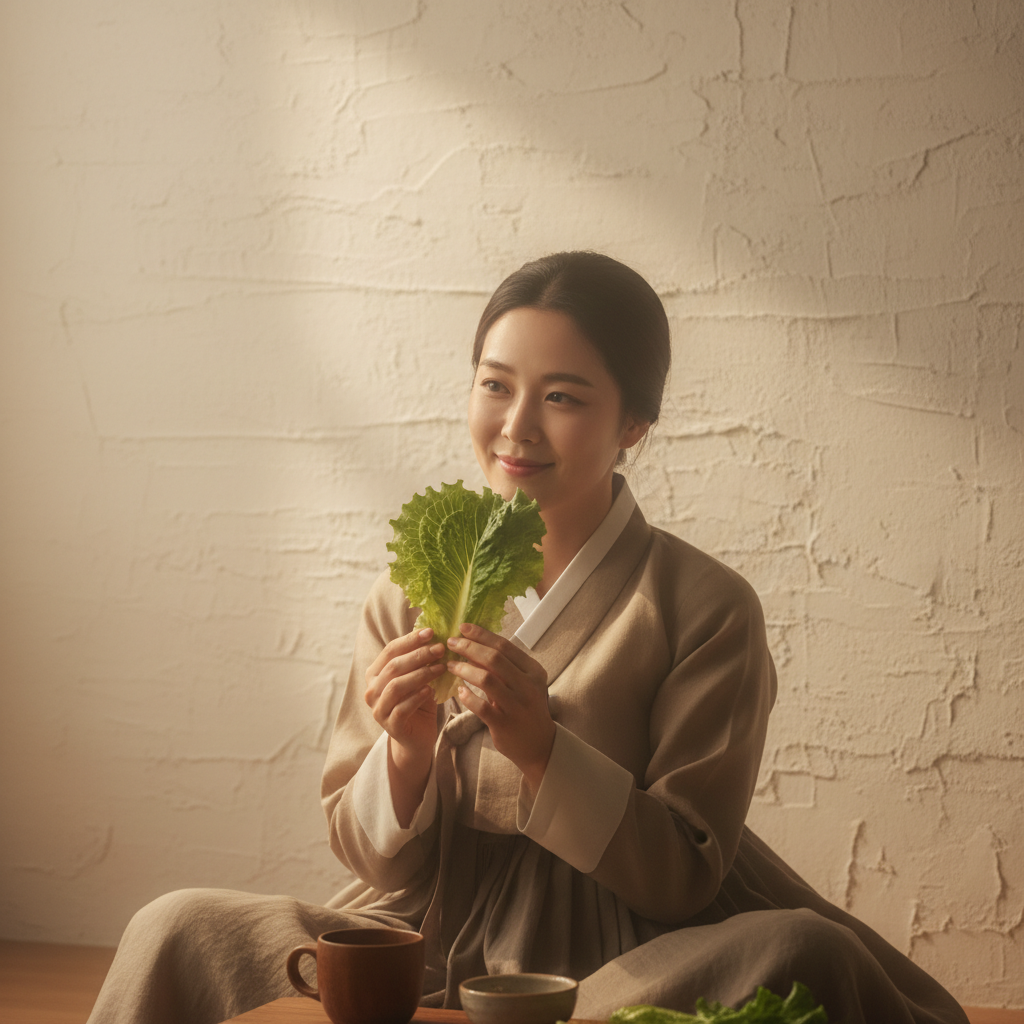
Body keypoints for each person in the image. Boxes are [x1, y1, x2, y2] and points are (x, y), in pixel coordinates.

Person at [88, 252, 968, 1024]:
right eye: (496, 384)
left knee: (802, 955)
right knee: (176, 926)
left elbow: (684, 875)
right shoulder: (415, 585)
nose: (516, 425)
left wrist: (544, 748)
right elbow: (371, 862)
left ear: (634, 425)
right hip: (421, 934)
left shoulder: (707, 605)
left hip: (621, 956)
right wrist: (403, 752)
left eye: (563, 397)